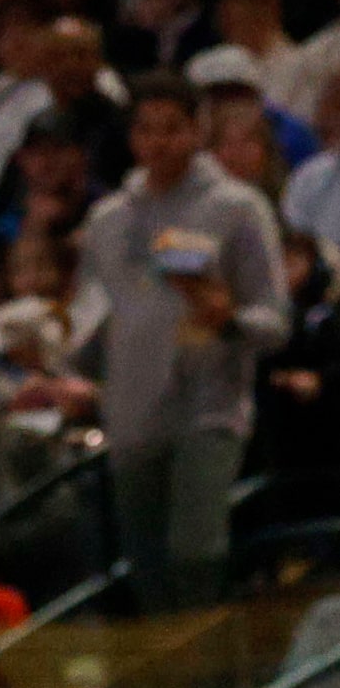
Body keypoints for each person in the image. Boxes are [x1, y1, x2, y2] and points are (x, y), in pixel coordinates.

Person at [71, 73, 288, 610]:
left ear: (197, 131)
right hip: (131, 414)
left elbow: (275, 315)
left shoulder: (237, 208)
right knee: (145, 566)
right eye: (146, 130)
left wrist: (228, 318)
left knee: (195, 553)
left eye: (172, 129)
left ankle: (216, 683)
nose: (158, 142)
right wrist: (53, 353)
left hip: (208, 405)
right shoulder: (108, 219)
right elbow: (91, 319)